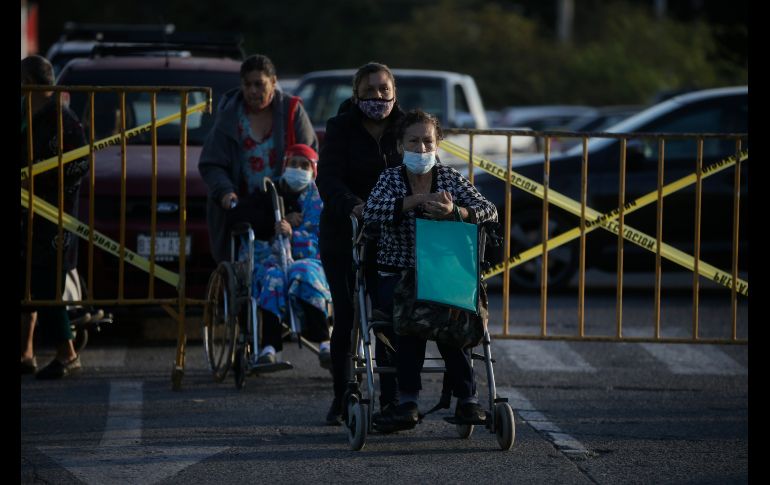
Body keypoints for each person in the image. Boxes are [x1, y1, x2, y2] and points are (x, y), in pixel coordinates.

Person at [362, 109, 498, 430]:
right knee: (413, 315)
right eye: (414, 141)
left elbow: (488, 209)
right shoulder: (390, 179)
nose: (421, 149)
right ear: (400, 145)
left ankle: (467, 399)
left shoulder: (449, 178)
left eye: (427, 142)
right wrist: (415, 200)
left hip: (442, 275)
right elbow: (371, 210)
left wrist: (456, 210)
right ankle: (407, 400)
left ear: (437, 144)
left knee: (453, 313)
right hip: (398, 273)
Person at [316, 62, 406, 425]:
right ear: (356, 95)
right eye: (369, 91)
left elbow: (423, 168)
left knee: (388, 316)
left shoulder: (405, 127)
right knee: (348, 316)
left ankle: (392, 398)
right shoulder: (340, 128)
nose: (378, 97)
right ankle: (342, 395)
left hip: (391, 236)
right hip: (345, 233)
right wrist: (353, 205)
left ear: (394, 90)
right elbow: (328, 178)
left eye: (384, 89)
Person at [198, 53, 318, 264]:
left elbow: (309, 156)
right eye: (247, 85)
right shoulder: (230, 116)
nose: (253, 91)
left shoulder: (292, 111)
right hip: (246, 208)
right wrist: (225, 192)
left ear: (273, 82)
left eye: (259, 84)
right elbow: (212, 163)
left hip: (288, 207)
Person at [20, 55, 89, 379]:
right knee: (27, 286)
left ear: (32, 82)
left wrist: (36, 181)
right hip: (24, 216)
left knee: (48, 288)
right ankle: (26, 352)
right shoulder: (24, 112)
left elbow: (78, 166)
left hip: (52, 217)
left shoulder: (64, 121)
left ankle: (68, 353)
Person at [232, 144, 333, 365]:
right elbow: (241, 216)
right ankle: (269, 348)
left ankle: (325, 342)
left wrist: (293, 235)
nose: (298, 169)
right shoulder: (270, 191)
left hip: (311, 259)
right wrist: (277, 222)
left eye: (304, 165)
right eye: (294, 163)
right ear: (286, 165)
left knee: (303, 272)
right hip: (271, 257)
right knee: (273, 278)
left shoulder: (319, 200)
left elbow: (323, 237)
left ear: (313, 170)